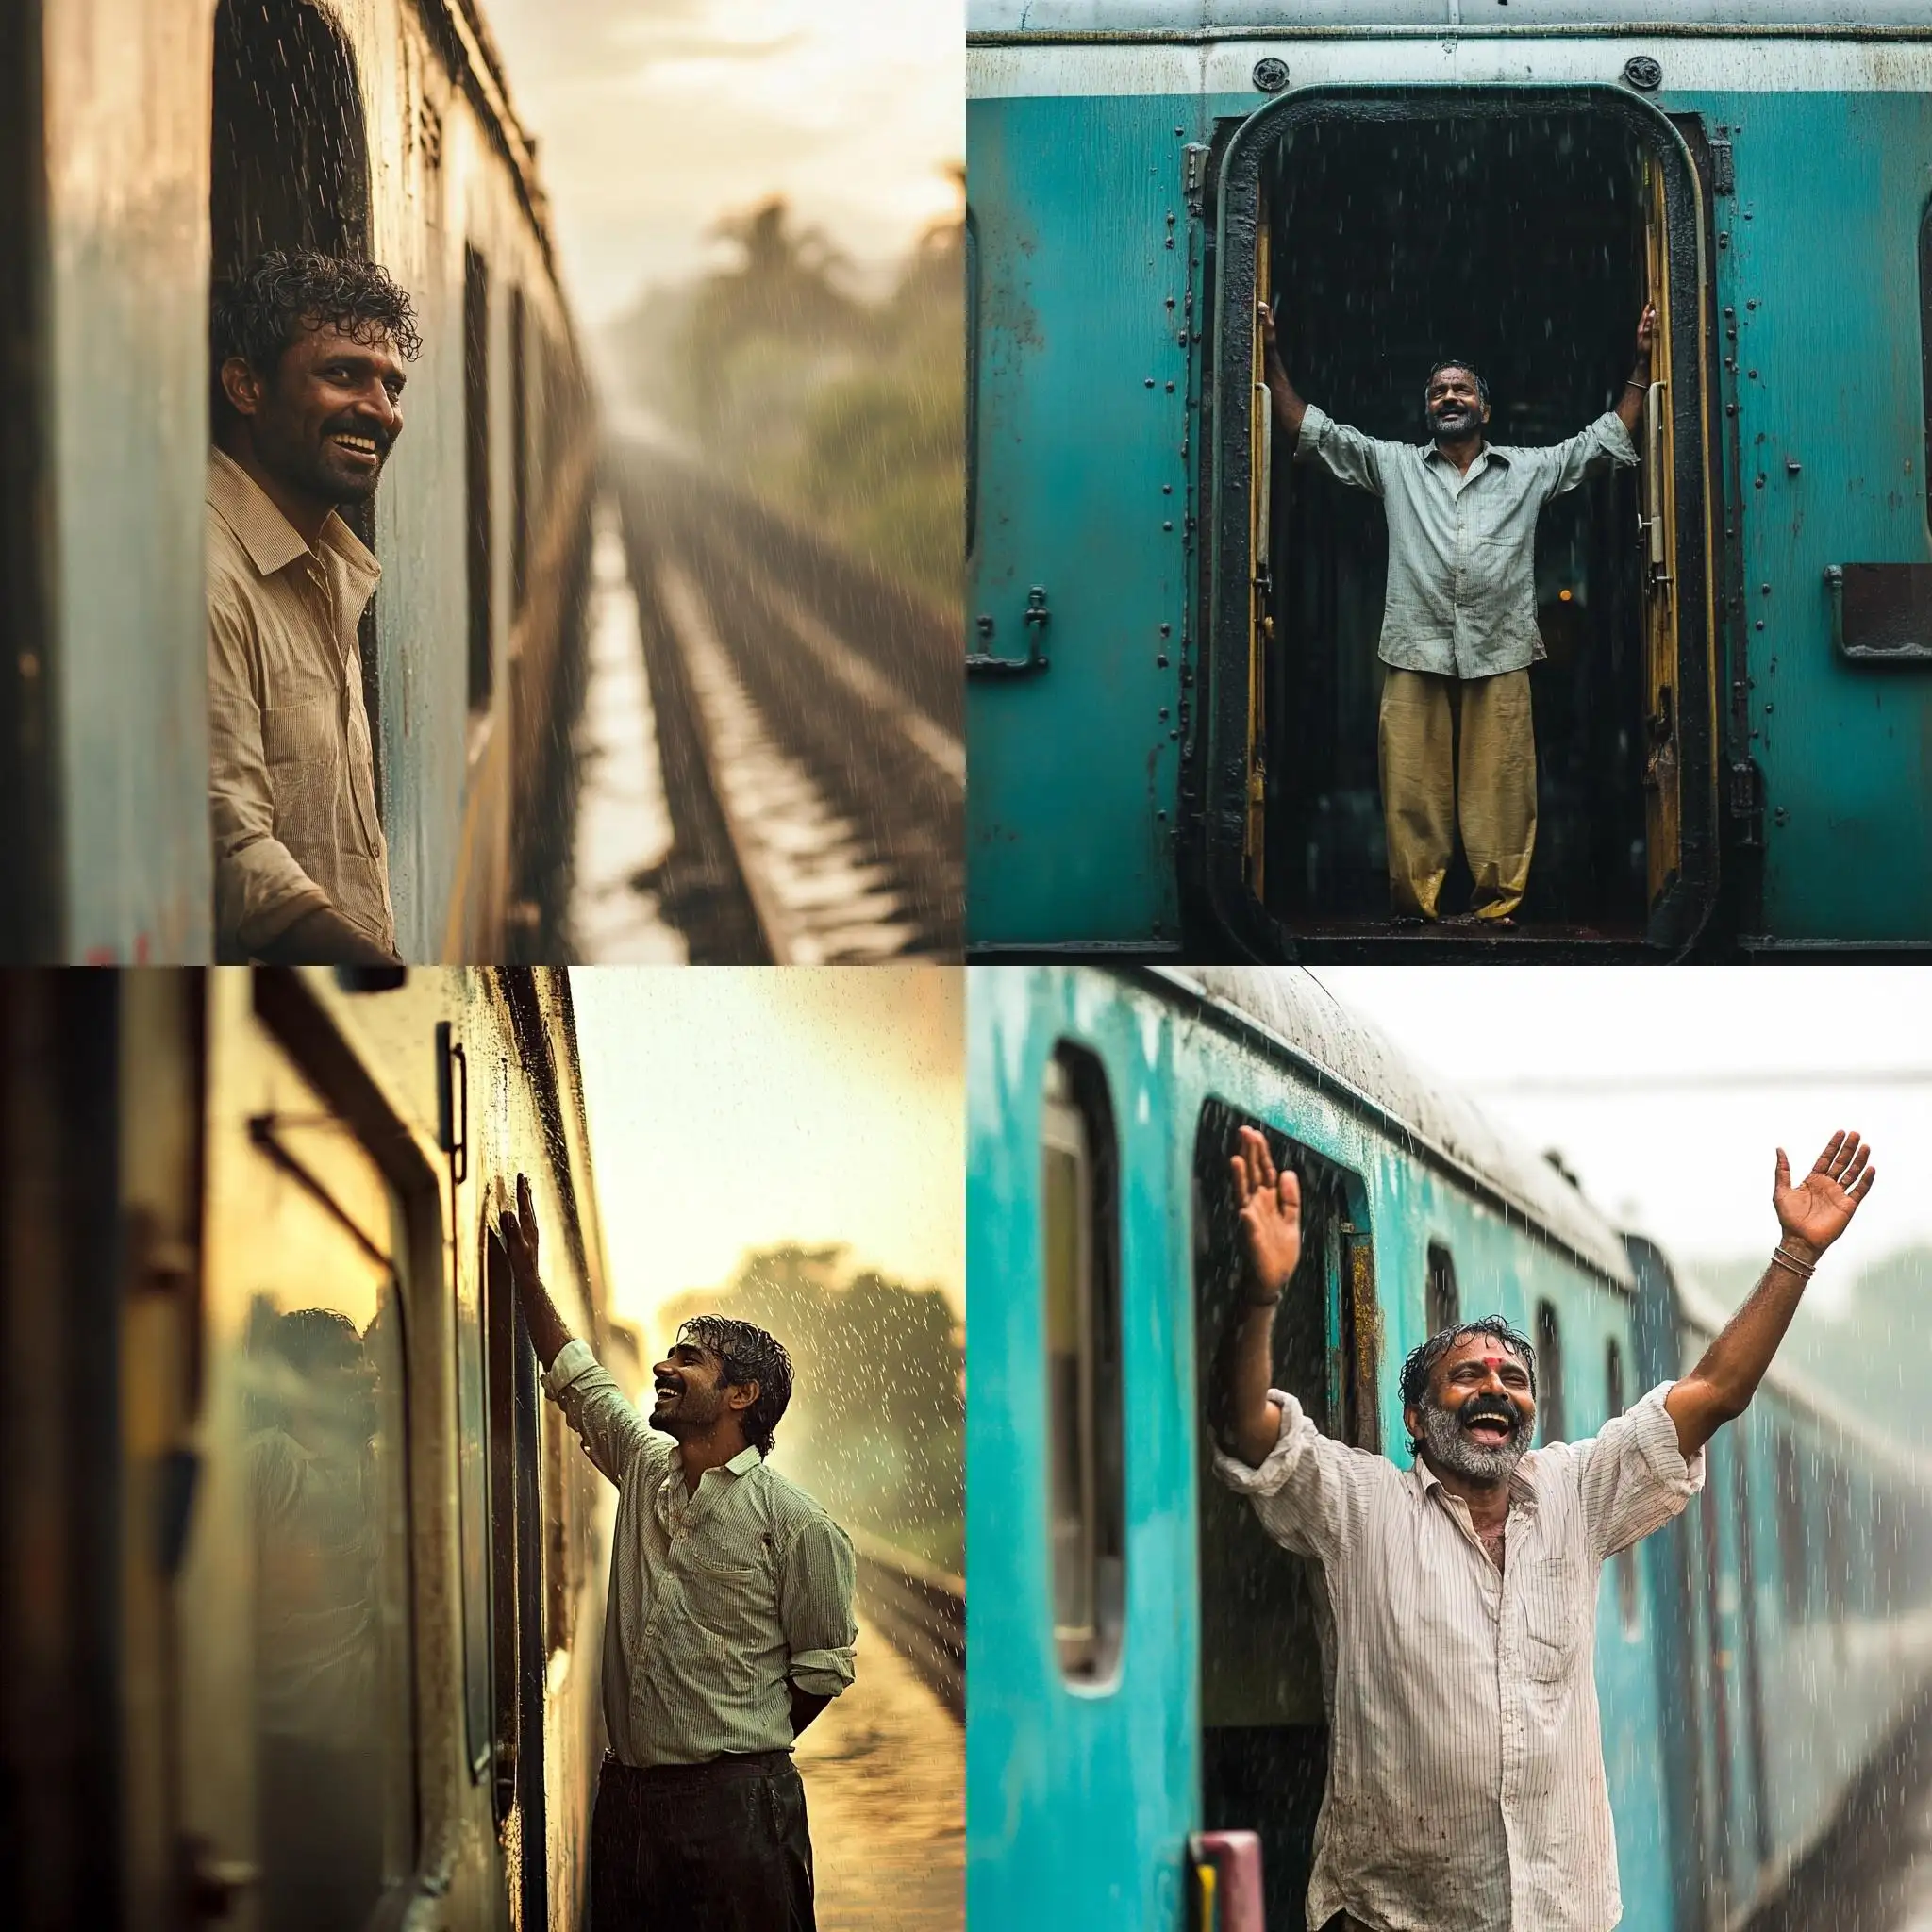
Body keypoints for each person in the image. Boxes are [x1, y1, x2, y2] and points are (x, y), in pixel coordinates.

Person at [1215, 1124, 1876, 1932]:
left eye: (1513, 1378)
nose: (1495, 1388)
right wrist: (1260, 1295)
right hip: (1397, 1920)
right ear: (1417, 1420)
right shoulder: (1362, 1509)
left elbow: (1712, 1394)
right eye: (1467, 1376)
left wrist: (1794, 1258)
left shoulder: (1575, 1495)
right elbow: (1251, 1433)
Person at [498, 1174, 857, 1932]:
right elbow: (578, 1379)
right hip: (630, 1803)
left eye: (687, 1360)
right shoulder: (641, 1469)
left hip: (738, 1814)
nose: (663, 1368)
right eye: (669, 1354)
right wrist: (528, 1279)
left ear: (740, 1396)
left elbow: (822, 1671)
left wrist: (731, 1749)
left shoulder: (797, 1525)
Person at [1260, 302, 1657, 925]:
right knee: (1411, 790)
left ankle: (1496, 909)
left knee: (1502, 789)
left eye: (1461, 389)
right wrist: (1271, 360)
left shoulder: (1527, 471)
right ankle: (1415, 909)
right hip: (1414, 648)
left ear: (1484, 409)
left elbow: (1603, 443)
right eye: (1440, 390)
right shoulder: (1394, 466)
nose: (1450, 396)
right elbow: (1313, 432)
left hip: (1500, 651)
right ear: (1429, 407)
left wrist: (1640, 365)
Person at [207, 249, 421, 964]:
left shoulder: (324, 563)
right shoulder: (205, 572)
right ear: (246, 386)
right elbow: (231, 853)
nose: (380, 410)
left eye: (391, 386)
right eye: (341, 375)